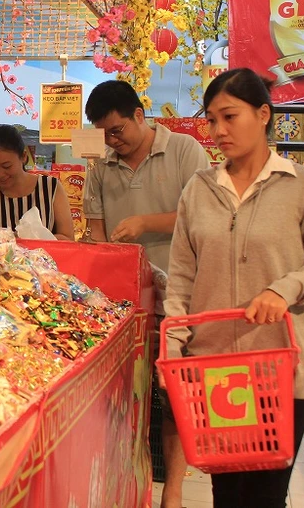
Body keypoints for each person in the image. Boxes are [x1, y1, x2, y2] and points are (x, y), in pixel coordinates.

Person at [164, 69, 304, 508]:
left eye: (230, 116)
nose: (218, 131)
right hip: (214, 371)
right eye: (211, 120)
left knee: (266, 495)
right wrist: (173, 344)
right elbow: (182, 277)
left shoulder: (303, 186)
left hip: (278, 367)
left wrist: (285, 289)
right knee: (227, 493)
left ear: (263, 114)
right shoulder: (199, 190)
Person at [83, 80, 209, 508]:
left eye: (117, 130)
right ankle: (125, 480)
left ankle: (172, 489)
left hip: (182, 298)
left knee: (175, 395)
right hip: (125, 306)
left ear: (140, 115)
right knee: (123, 394)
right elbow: (97, 232)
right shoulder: (101, 168)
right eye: (104, 134)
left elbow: (201, 216)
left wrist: (144, 223)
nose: (111, 141)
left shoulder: (185, 150)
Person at [0, 125, 73, 239]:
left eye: (6, 166)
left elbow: (67, 238)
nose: (0, 174)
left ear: (23, 157)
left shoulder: (50, 188)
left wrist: (24, 238)